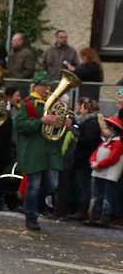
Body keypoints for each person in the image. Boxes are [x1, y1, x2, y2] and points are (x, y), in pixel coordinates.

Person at [14, 71, 66, 231]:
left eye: (49, 85)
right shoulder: (26, 104)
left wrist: (65, 122)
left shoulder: (53, 103)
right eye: (44, 85)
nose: (47, 88)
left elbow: (57, 127)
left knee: (52, 183)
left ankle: (34, 206)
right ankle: (31, 215)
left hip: (50, 151)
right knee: (34, 185)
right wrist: (40, 121)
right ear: (35, 86)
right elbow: (20, 126)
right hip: (33, 150)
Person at [85, 115, 123, 227]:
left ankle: (105, 217)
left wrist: (99, 164)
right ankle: (93, 215)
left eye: (107, 128)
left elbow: (112, 158)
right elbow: (95, 153)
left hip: (109, 175)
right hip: (98, 173)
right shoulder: (104, 143)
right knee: (96, 195)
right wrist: (92, 162)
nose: (104, 130)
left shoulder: (118, 144)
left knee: (108, 197)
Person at [69, 99, 102, 221]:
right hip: (83, 158)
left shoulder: (91, 123)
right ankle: (79, 208)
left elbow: (88, 139)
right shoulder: (89, 122)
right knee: (81, 184)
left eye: (82, 108)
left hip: (85, 159)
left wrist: (76, 134)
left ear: (87, 109)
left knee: (84, 185)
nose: (80, 110)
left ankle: (82, 210)